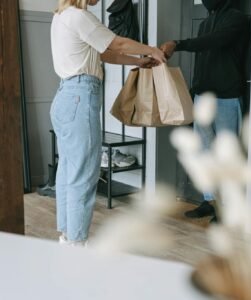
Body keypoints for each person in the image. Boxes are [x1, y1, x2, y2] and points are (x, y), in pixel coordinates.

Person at [50, 0, 165, 246]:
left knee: (68, 170)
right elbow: (117, 42)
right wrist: (151, 49)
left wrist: (137, 61)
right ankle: (77, 243)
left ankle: (67, 236)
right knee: (84, 174)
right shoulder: (80, 17)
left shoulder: (61, 16)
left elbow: (105, 53)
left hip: (65, 97)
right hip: (80, 97)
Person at [160, 0, 249, 221]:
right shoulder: (205, 23)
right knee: (204, 153)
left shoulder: (236, 18)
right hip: (202, 97)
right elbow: (202, 56)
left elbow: (214, 42)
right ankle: (210, 200)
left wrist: (177, 44)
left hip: (227, 97)